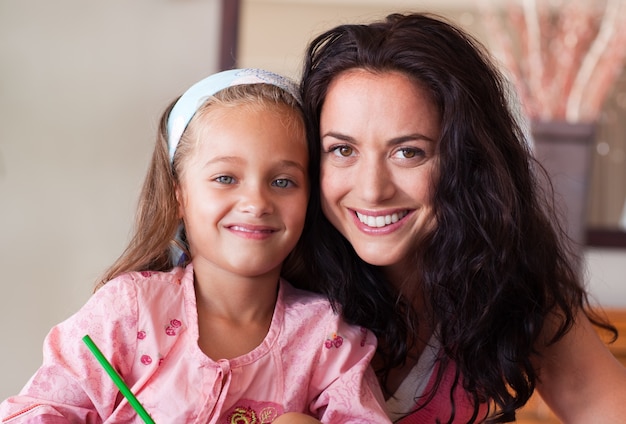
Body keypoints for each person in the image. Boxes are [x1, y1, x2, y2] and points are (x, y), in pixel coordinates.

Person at [0, 68, 389, 424]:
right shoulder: (127, 312)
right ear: (179, 197)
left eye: (283, 181)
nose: (256, 202)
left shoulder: (329, 338)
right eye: (225, 178)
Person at [299, 12, 626, 423]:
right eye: (343, 150)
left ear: (467, 162)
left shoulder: (508, 284)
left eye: (408, 152)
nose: (371, 190)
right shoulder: (278, 283)